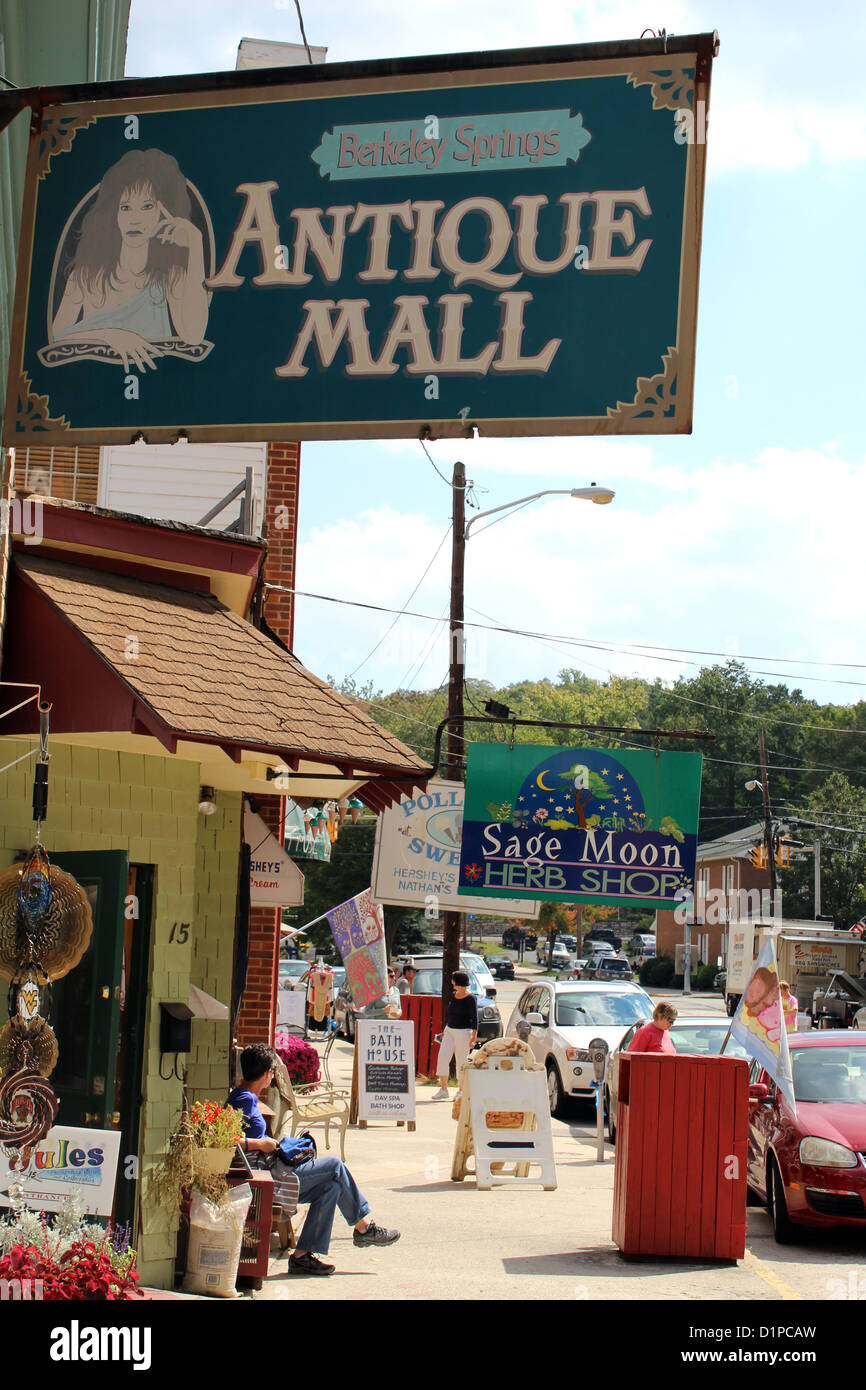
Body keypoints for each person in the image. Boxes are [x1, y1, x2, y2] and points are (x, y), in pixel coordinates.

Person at [227, 1043, 400, 1276]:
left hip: (269, 1172)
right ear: (267, 1074)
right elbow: (227, 1139)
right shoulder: (244, 1099)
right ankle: (364, 1228)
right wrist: (261, 1143)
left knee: (330, 1188)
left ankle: (302, 1256)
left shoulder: (243, 1096)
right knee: (335, 1167)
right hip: (265, 1179)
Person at [51, 148, 209, 371]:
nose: (134, 219)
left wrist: (196, 243)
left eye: (147, 206)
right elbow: (55, 341)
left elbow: (194, 336)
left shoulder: (171, 277)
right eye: (125, 207)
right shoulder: (85, 276)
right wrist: (110, 336)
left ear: (164, 212)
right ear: (113, 213)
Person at [432, 971, 478, 1100]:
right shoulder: (453, 995)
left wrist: (473, 1038)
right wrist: (445, 1030)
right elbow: (450, 1014)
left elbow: (475, 1019)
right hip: (450, 1030)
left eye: (453, 980)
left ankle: (461, 1090)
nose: (451, 982)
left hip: (464, 1032)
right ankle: (443, 1089)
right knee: (442, 1058)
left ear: (458, 982)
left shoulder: (470, 998)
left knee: (461, 1061)